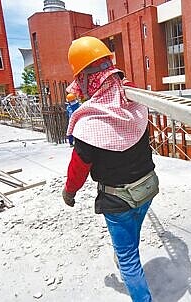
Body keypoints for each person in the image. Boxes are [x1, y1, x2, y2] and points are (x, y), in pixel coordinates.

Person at [61, 36, 158, 302]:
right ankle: (126, 250)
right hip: (148, 188)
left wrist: (69, 192)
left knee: (128, 258)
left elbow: (79, 166)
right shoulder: (133, 102)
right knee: (132, 233)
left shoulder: (89, 121)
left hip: (119, 200)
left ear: (85, 80)